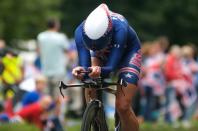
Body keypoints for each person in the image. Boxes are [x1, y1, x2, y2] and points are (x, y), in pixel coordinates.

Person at [72, 4, 141, 131]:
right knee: (90, 83)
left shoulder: (120, 27)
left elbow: (110, 68)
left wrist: (100, 70)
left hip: (127, 53)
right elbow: (85, 68)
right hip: (100, 54)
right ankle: (95, 117)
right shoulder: (79, 32)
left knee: (122, 106)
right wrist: (81, 72)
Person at [37, 18, 70, 98]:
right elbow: (67, 51)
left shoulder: (41, 37)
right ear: (56, 25)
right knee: (59, 96)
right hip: (59, 71)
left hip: (45, 71)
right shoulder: (61, 37)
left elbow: (39, 51)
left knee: (46, 98)